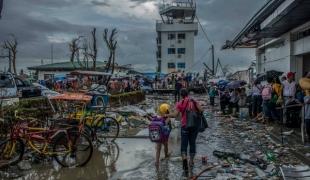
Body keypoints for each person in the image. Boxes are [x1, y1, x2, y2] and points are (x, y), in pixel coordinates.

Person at [166, 88, 203, 176]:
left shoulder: (180, 103)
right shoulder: (193, 101)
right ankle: (191, 162)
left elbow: (175, 115)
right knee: (192, 143)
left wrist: (166, 114)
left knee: (184, 145)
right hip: (194, 126)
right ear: (187, 94)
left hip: (185, 126)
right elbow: (201, 110)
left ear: (181, 95)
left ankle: (185, 162)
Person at [153, 103, 172, 170]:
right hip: (164, 135)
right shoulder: (166, 118)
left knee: (158, 149)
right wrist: (169, 117)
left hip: (158, 135)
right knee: (165, 145)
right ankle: (166, 155)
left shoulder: (158, 117)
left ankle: (157, 162)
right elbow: (166, 124)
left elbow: (152, 121)